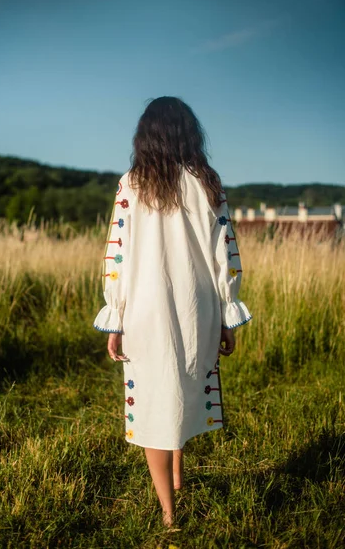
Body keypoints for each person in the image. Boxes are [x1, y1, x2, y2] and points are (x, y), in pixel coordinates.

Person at [93, 96, 253, 529]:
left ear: (144, 136)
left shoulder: (131, 184)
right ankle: (178, 477)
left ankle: (168, 514)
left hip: (145, 307)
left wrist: (116, 316)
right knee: (182, 382)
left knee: (152, 401)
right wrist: (226, 312)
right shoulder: (207, 182)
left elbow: (117, 256)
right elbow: (226, 253)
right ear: (189, 134)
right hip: (196, 304)